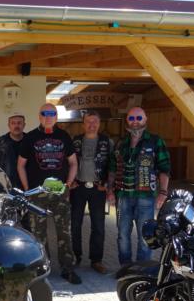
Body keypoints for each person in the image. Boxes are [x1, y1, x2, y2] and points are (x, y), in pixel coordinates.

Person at [17, 103, 80, 284]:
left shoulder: (64, 136)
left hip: (60, 194)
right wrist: (27, 190)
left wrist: (68, 184)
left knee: (64, 232)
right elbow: (20, 165)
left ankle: (68, 269)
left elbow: (73, 163)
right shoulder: (30, 138)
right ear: (39, 116)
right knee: (38, 234)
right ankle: (42, 270)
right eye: (44, 113)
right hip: (37, 194)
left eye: (52, 113)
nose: (48, 116)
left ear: (56, 116)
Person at [107, 107, 171, 270]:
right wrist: (110, 191)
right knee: (123, 235)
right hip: (123, 196)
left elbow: (164, 168)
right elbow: (112, 169)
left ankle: (142, 269)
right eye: (131, 118)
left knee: (145, 234)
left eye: (138, 118)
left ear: (145, 119)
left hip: (146, 197)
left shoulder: (155, 141)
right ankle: (125, 267)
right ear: (127, 120)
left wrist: (163, 192)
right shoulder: (120, 143)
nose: (135, 121)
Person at [70, 110, 113, 275]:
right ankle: (75, 256)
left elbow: (113, 165)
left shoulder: (107, 142)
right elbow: (68, 162)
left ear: (99, 123)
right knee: (75, 224)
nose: (92, 124)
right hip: (78, 187)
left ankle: (96, 260)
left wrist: (107, 185)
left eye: (95, 121)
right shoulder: (75, 141)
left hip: (98, 188)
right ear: (83, 124)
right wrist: (70, 181)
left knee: (98, 226)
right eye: (88, 121)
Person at [0, 113, 25, 188]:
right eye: (13, 123)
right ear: (9, 125)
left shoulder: (30, 141)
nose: (16, 126)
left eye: (19, 123)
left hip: (26, 186)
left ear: (24, 125)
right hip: (4, 187)